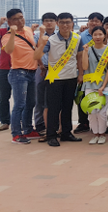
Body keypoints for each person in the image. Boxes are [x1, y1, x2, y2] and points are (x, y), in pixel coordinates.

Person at [34, 12, 84, 147]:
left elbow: (79, 57)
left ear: (72, 23)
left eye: (68, 22)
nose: (65, 25)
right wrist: (41, 43)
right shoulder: (51, 40)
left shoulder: (77, 38)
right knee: (53, 108)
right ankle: (51, 135)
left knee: (68, 107)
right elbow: (36, 56)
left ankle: (66, 133)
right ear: (57, 24)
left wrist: (80, 74)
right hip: (54, 78)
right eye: (62, 22)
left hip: (71, 77)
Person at [2, 9, 40, 144]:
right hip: (19, 73)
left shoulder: (28, 30)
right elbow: (9, 50)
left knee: (31, 103)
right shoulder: (7, 36)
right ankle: (16, 134)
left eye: (21, 17)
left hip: (32, 72)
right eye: (16, 19)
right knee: (19, 105)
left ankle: (28, 129)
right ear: (9, 22)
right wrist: (13, 33)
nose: (20, 21)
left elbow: (33, 47)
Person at [81, 26, 108, 145]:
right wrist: (85, 52)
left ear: (104, 36)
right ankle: (95, 134)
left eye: (100, 34)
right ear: (92, 36)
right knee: (92, 111)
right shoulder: (87, 49)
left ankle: (102, 134)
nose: (98, 37)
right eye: (95, 35)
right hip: (90, 85)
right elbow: (85, 67)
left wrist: (103, 86)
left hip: (105, 85)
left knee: (102, 111)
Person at [76, 12, 105, 134]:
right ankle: (83, 123)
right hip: (87, 73)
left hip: (102, 74)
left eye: (96, 21)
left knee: (102, 102)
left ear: (101, 23)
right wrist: (80, 73)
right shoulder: (81, 36)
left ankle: (101, 127)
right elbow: (78, 55)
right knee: (83, 99)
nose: (93, 22)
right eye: (91, 20)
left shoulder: (105, 35)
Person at [33, 12, 58, 137]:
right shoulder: (37, 36)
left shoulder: (58, 36)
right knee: (40, 98)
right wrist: (41, 65)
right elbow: (35, 51)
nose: (49, 23)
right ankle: (39, 125)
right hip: (41, 68)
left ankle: (54, 125)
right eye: (46, 20)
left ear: (56, 23)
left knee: (55, 99)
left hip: (56, 70)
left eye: (51, 20)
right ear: (42, 22)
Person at [0, 16, 12, 132]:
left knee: (23, 99)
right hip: (4, 68)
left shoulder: (26, 32)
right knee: (3, 97)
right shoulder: (3, 32)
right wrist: (0, 23)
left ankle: (21, 121)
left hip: (21, 68)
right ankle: (5, 121)